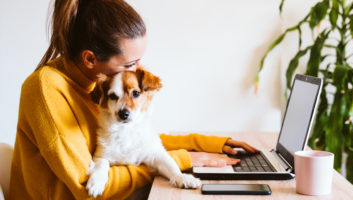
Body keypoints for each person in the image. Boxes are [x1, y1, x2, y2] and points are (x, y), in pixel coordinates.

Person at [9, 0, 259, 199]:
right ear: (90, 59)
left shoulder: (98, 84)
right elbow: (88, 189)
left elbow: (133, 143)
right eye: (130, 63)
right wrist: (180, 160)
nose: (137, 71)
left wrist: (205, 144)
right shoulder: (47, 89)